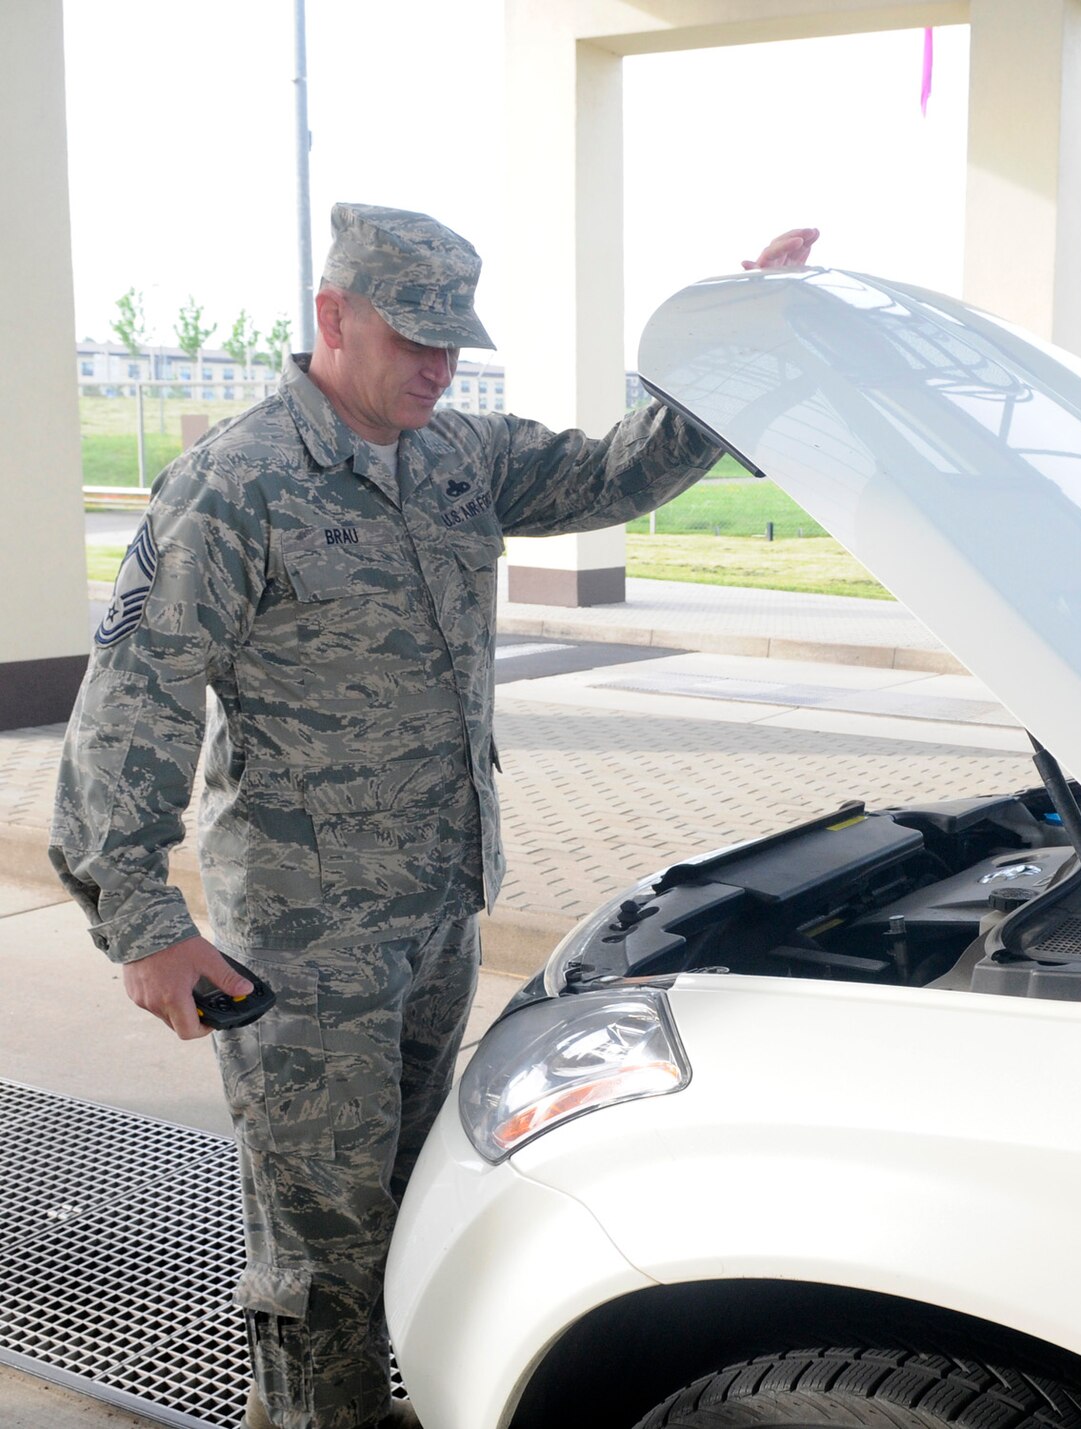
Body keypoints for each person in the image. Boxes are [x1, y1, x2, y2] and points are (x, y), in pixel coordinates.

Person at [49, 203, 818, 1429]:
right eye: (413, 338)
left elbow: (624, 465)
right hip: (304, 947)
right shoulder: (238, 482)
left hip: (437, 916)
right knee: (316, 1248)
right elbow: (133, 694)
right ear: (333, 316)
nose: (437, 365)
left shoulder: (455, 456)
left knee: (411, 1202)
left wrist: (738, 335)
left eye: (454, 342)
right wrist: (141, 922)